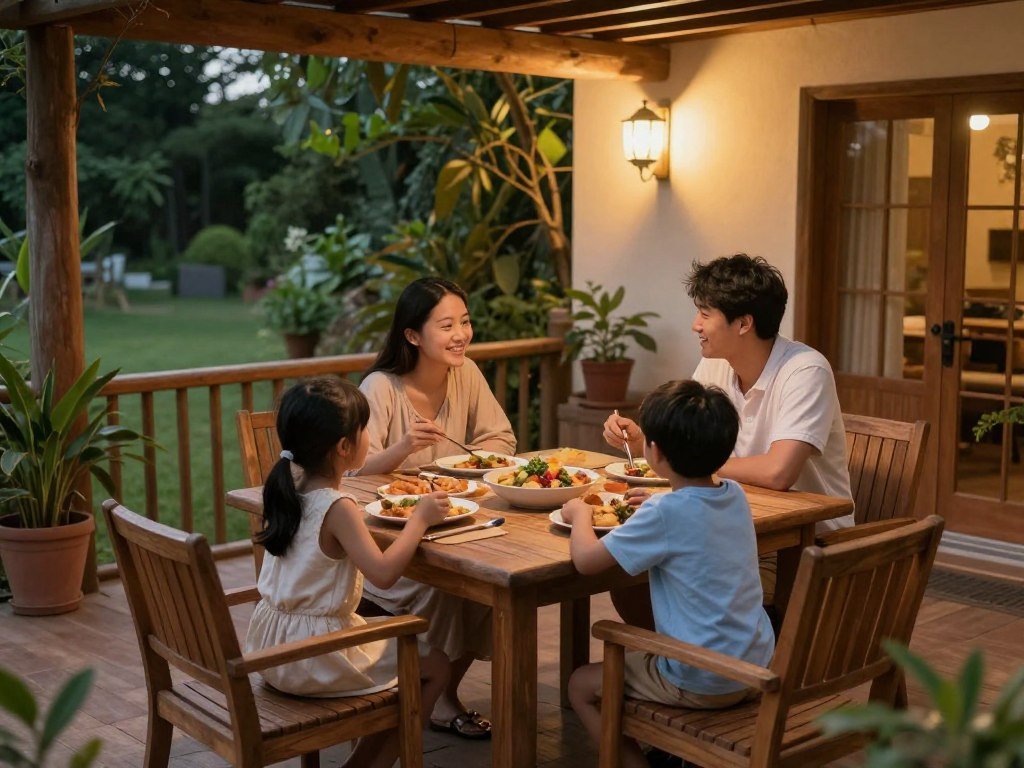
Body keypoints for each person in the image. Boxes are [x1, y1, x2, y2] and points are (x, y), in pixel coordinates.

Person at [603, 255, 854, 625]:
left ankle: (696, 670)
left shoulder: (804, 370)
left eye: (705, 314)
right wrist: (644, 442)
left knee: (646, 567)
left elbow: (778, 472)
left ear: (744, 323)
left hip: (802, 547)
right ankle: (681, 667)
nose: (695, 325)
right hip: (735, 526)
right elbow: (691, 440)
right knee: (630, 569)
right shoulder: (716, 364)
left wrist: (689, 460)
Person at [564, 380, 775, 768]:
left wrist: (579, 514)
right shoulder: (734, 494)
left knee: (580, 685)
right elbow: (692, 514)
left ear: (654, 452)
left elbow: (586, 562)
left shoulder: (662, 513)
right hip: (754, 664)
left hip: (702, 678)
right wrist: (662, 502)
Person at [245, 377, 451, 768]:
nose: (369, 438)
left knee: (399, 646)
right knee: (435, 665)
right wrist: (420, 520)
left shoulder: (286, 487)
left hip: (270, 650)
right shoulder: (338, 507)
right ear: (344, 447)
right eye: (365, 431)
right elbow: (384, 574)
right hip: (314, 658)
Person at [357, 276, 516, 739]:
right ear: (412, 335)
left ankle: (440, 692)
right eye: (446, 325)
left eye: (464, 322)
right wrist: (402, 449)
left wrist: (456, 464)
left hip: (453, 522)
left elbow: (500, 439)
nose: (461, 335)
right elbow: (354, 472)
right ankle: (429, 694)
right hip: (387, 542)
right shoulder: (381, 388)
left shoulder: (465, 373)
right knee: (450, 589)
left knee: (488, 585)